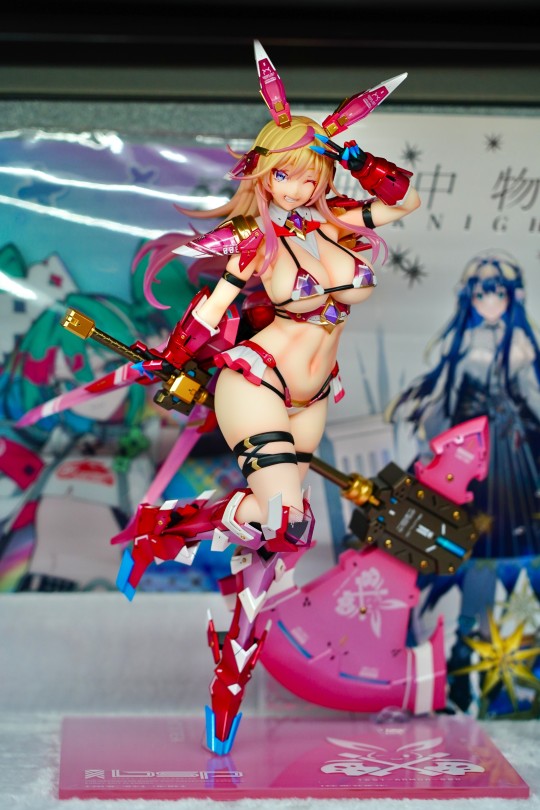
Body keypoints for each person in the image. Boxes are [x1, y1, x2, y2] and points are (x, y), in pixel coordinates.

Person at [105, 42, 421, 754]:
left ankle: (226, 650)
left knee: (284, 540)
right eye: (285, 175)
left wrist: (354, 156)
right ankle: (172, 532)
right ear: (262, 172)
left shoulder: (340, 219)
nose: (298, 189)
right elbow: (214, 307)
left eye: (310, 176)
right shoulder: (254, 239)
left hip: (314, 395)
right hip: (258, 380)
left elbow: (408, 200)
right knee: (282, 514)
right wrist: (175, 359)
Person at [387, 249, 540, 560]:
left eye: (499, 294)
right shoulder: (465, 341)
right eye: (482, 295)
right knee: (463, 502)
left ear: (512, 297)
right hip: (469, 437)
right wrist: (434, 434)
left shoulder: (519, 344)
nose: (490, 302)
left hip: (510, 440)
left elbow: (531, 394)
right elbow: (449, 392)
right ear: (470, 297)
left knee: (515, 508)